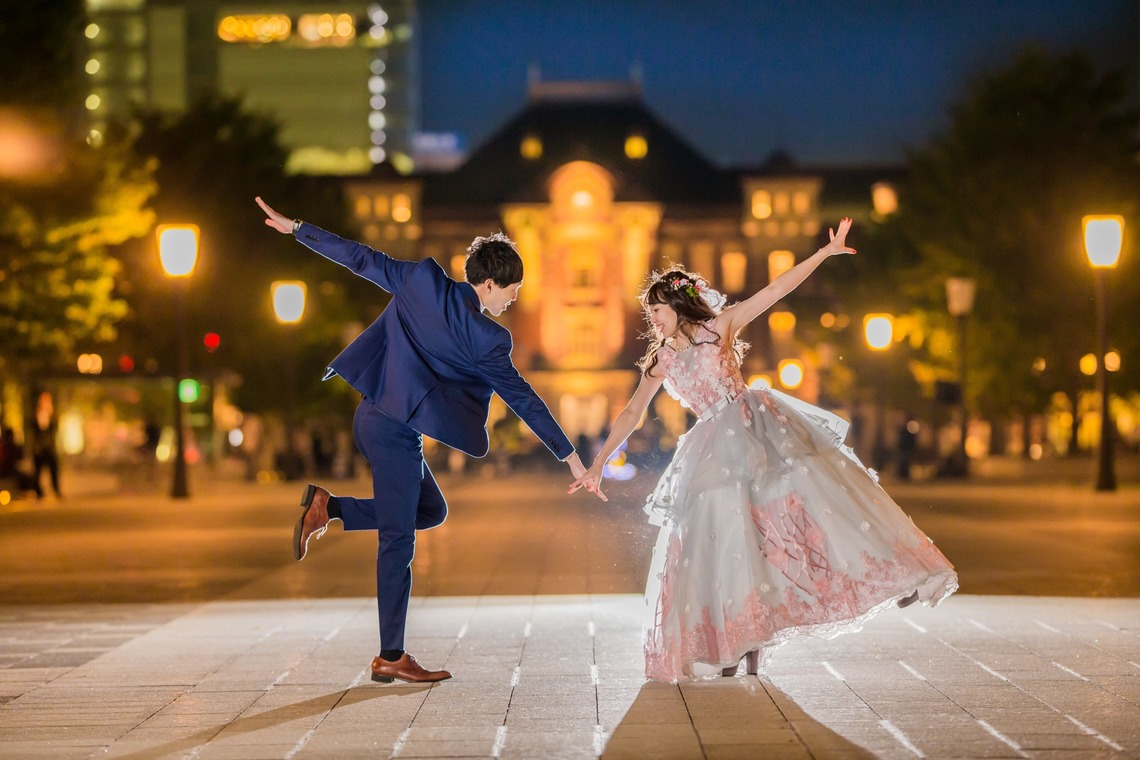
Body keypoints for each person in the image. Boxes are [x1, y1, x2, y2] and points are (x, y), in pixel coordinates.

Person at [570, 219, 957, 682]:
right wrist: (597, 463)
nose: (651, 317)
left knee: (807, 507)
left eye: (656, 308)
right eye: (649, 311)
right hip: (712, 444)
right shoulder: (661, 359)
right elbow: (632, 412)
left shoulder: (720, 328)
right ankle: (737, 638)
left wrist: (824, 253)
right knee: (729, 538)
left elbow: (775, 289)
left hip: (756, 427)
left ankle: (896, 572)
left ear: (676, 304)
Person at [256, 197, 601, 684]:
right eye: (512, 292)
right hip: (393, 431)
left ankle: (327, 508)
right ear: (488, 284)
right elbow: (524, 399)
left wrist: (298, 229)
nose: (511, 302)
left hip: (376, 418)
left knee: (431, 511)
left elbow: (360, 258)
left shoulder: (421, 281)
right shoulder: (489, 338)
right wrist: (571, 459)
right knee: (397, 540)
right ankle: (390, 655)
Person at [31, 391, 61, 499]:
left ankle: (56, 490)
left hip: (50, 447)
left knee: (54, 470)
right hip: (39, 448)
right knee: (37, 472)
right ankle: (38, 492)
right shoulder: (35, 414)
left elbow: (55, 429)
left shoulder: (53, 414)